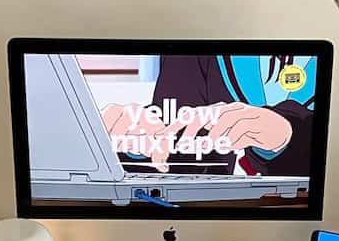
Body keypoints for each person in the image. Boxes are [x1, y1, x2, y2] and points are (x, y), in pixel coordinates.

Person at [101, 54, 316, 176]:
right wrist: (137, 145)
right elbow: (178, 159)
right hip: (214, 223)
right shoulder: (194, 50)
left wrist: (288, 136)